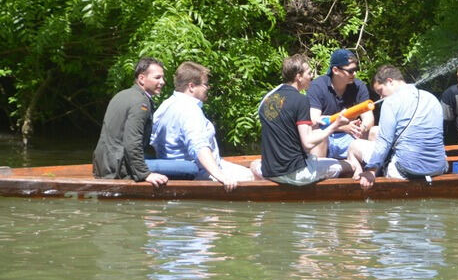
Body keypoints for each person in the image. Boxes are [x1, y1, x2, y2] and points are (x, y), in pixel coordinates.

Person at [251, 54, 360, 185]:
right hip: (297, 175)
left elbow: (285, 125)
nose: (311, 77)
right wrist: (335, 125)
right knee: (350, 165)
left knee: (254, 164)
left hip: (270, 172)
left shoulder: (267, 99)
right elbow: (307, 143)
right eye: (308, 73)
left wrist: (316, 121)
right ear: (298, 76)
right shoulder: (301, 100)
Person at [93, 57, 197, 187]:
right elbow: (132, 141)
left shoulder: (122, 94)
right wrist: (145, 174)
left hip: (103, 164)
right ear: (142, 79)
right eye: (157, 78)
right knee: (190, 168)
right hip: (119, 168)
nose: (162, 82)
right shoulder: (141, 103)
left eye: (163, 78)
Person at [150, 61, 254, 191]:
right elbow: (199, 147)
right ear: (191, 86)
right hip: (198, 173)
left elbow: (153, 141)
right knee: (249, 175)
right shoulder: (189, 110)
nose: (208, 88)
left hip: (174, 169)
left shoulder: (166, 104)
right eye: (205, 84)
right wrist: (221, 176)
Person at [349, 65, 448, 190]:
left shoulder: (390, 102)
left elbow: (384, 142)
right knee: (375, 131)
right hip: (438, 169)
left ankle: (360, 185)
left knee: (354, 146)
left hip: (405, 172)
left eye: (380, 91)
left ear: (390, 81)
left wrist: (371, 171)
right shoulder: (431, 97)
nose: (380, 97)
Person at [307, 49, 375, 159]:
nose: (355, 73)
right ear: (335, 70)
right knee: (316, 134)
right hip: (327, 136)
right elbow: (314, 121)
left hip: (351, 137)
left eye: (355, 69)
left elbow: (369, 118)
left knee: (375, 132)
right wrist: (342, 127)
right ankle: (318, 173)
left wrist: (362, 128)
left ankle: (370, 173)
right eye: (350, 71)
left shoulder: (359, 87)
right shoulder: (318, 86)